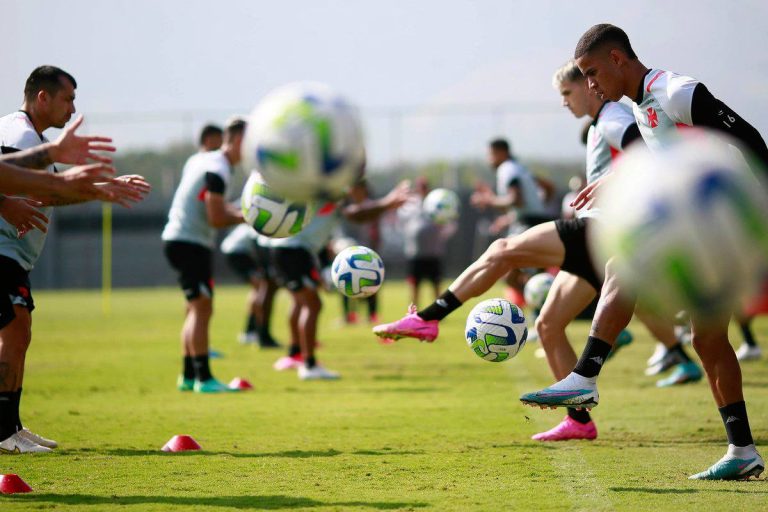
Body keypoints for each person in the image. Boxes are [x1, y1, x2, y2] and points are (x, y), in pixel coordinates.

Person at [373, 58, 701, 442]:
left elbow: (645, 151)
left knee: (502, 249)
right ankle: (579, 420)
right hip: (604, 240)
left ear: (586, 85)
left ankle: (428, 318)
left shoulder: (612, 116)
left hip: (599, 229)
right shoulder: (599, 124)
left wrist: (613, 181)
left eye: (567, 92)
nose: (565, 102)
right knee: (547, 325)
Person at [519, 24, 767, 480]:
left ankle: (586, 376)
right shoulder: (644, 108)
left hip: (731, 224)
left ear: (618, 60)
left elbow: (749, 141)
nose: (590, 85)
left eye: (592, 73)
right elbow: (671, 157)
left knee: (622, 262)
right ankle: (743, 451)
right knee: (708, 341)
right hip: (710, 227)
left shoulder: (674, 91)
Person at [0, 65, 150, 454]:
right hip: (2, 252)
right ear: (42, 97)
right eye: (67, 99)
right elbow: (29, 188)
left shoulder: (30, 137)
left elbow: (48, 190)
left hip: (14, 254)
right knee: (15, 329)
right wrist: (5, 205)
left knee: (20, 331)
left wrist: (103, 187)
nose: (72, 108)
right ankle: (3, 432)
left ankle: (10, 425)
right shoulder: (18, 133)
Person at [269, 179, 410, 380]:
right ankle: (309, 366)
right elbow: (356, 214)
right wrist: (387, 203)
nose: (362, 197)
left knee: (300, 302)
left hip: (285, 247)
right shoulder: (336, 191)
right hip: (294, 251)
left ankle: (294, 355)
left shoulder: (325, 188)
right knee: (313, 304)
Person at [162, 117, 246, 393]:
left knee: (195, 308)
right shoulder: (219, 169)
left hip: (182, 240)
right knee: (202, 307)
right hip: (190, 242)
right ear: (234, 140)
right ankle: (204, 379)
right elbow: (216, 217)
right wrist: (252, 218)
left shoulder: (202, 159)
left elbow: (215, 207)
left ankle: (188, 377)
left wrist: (245, 212)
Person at [471, 139, 549, 306]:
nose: (489, 159)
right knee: (526, 276)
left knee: (513, 275)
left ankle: (543, 309)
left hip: (529, 224)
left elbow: (516, 199)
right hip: (533, 221)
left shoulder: (507, 169)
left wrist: (490, 199)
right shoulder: (518, 167)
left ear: (501, 153)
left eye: (490, 155)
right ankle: (542, 310)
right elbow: (548, 189)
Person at [220, 223, 281, 348]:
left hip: (236, 250)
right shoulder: (262, 224)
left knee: (259, 289)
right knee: (263, 287)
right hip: (237, 252)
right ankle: (254, 332)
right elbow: (257, 242)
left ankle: (251, 330)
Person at [400, 177, 457, 308]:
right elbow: (402, 219)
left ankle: (438, 312)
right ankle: (414, 312)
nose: (423, 189)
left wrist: (441, 234)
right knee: (414, 285)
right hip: (415, 252)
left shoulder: (437, 203)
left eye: (425, 186)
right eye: (420, 186)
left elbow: (450, 223)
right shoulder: (411, 204)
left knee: (436, 285)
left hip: (433, 252)